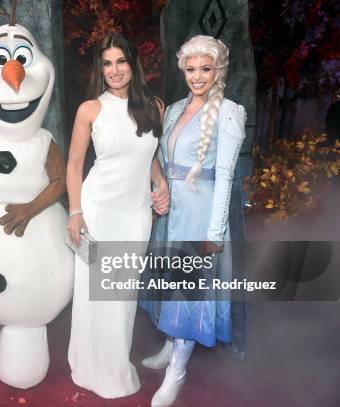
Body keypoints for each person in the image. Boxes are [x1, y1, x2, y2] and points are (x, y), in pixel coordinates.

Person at [140, 35, 247, 407]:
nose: (197, 76)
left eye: (205, 68)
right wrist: (160, 191)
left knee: (190, 289)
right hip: (172, 214)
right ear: (182, 70)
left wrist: (215, 233)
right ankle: (171, 347)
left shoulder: (230, 111)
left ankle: (177, 373)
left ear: (218, 70)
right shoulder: (171, 110)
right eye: (190, 69)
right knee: (172, 283)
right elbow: (162, 164)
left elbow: (227, 178)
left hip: (202, 216)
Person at [65, 32, 169, 399]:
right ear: (100, 68)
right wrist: (75, 213)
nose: (114, 70)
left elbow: (149, 155)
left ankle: (113, 365)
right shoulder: (90, 109)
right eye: (107, 63)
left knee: (121, 296)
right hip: (96, 210)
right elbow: (75, 165)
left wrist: (161, 184)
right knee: (94, 294)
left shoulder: (154, 106)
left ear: (133, 64)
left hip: (136, 214)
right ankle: (89, 365)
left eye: (120, 61)